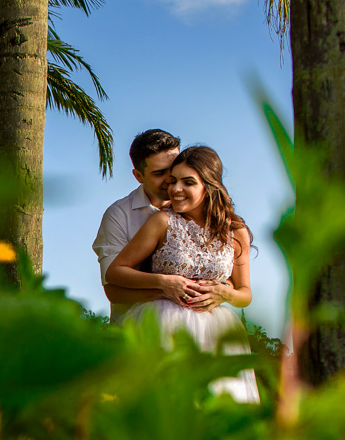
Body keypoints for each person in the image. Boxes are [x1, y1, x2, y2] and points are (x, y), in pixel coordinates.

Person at [106, 145, 260, 403]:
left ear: (209, 186)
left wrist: (225, 293)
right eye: (173, 181)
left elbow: (245, 294)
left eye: (188, 182)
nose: (175, 190)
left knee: (217, 409)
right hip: (164, 325)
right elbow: (115, 272)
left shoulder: (235, 231)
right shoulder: (162, 222)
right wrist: (164, 282)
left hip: (217, 333)